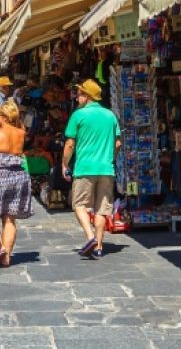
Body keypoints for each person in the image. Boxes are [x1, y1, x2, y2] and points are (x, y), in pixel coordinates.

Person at [62, 79, 121, 260]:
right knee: (102, 209)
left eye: (79, 94)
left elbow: (70, 144)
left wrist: (64, 165)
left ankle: (91, 238)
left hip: (85, 168)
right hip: (106, 169)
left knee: (79, 205)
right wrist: (110, 158)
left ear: (87, 96)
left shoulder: (79, 115)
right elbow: (118, 143)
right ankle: (99, 246)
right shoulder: (110, 115)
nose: (77, 97)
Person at [0, 100, 32, 267]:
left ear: (3, 117)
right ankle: (5, 256)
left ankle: (0, 247)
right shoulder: (21, 133)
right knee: (10, 218)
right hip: (18, 176)